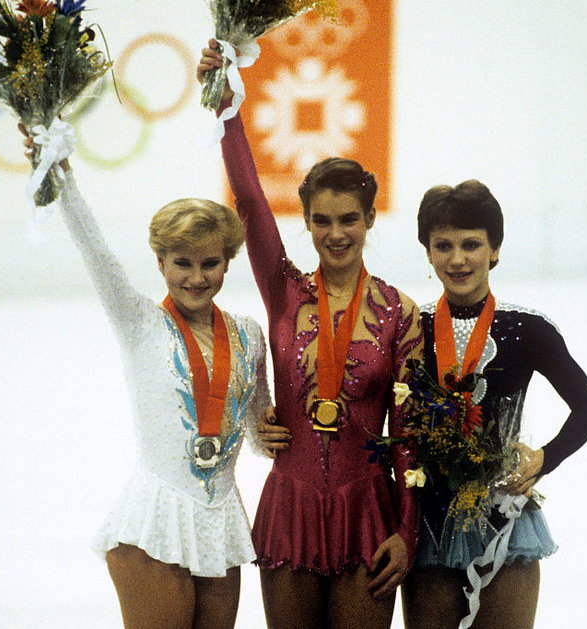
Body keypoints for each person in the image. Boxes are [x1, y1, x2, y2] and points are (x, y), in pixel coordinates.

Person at [197, 45, 423, 628]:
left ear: (371, 219)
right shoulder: (285, 288)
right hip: (291, 506)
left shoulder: (400, 312)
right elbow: (248, 202)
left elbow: (408, 435)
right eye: (321, 220)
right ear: (306, 222)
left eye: (349, 219)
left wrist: (406, 531)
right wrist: (227, 107)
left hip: (368, 510)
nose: (336, 233)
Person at [19, 125, 271, 629]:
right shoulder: (139, 322)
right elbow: (97, 255)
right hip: (157, 519)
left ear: (228, 262)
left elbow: (256, 434)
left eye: (209, 263)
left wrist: (270, 433)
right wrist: (62, 178)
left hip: (220, 516)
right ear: (160, 262)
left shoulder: (249, 334)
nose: (196, 277)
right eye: (182, 263)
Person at [400, 181, 587, 628]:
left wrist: (544, 458)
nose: (458, 259)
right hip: (429, 522)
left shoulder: (527, 329)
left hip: (504, 516)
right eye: (444, 246)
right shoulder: (410, 327)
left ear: (495, 250)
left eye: (472, 244)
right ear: (428, 253)